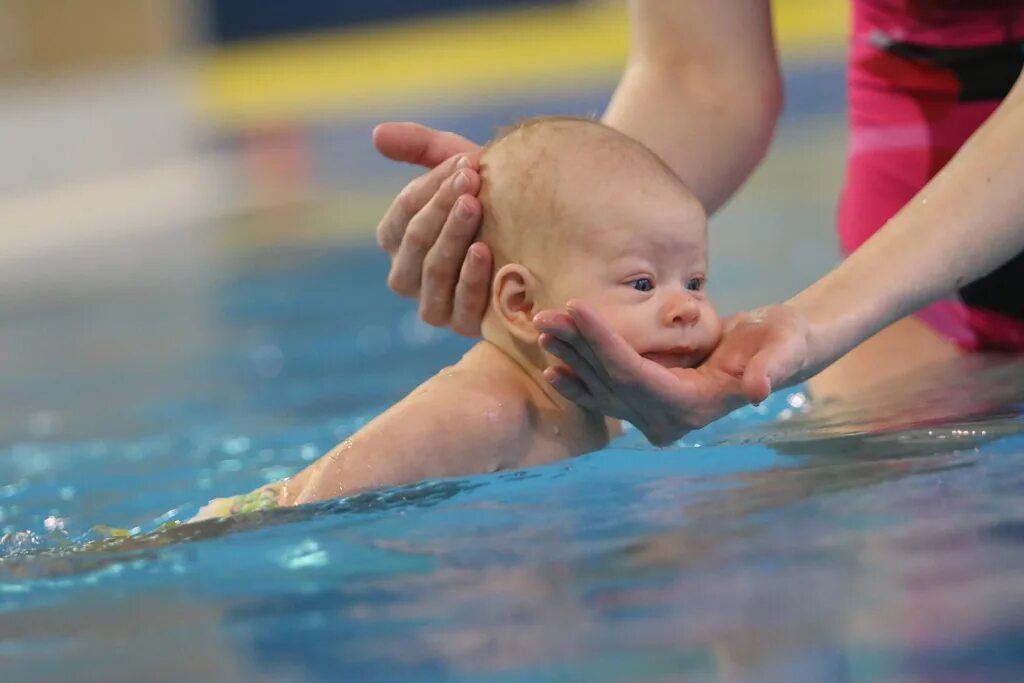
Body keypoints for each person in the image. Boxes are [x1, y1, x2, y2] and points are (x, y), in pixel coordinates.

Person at [372, 0, 1024, 446]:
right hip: (925, 295)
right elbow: (700, 75)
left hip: (891, 282)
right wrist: (546, 233)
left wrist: (813, 323)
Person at [193, 116, 720, 519]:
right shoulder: (476, 412)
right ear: (521, 304)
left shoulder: (603, 407)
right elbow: (308, 505)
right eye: (643, 284)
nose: (685, 309)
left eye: (695, 282)